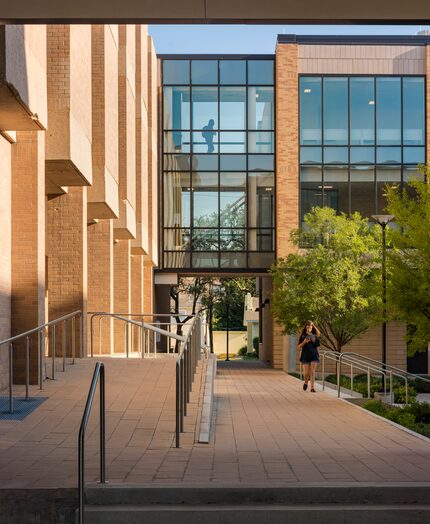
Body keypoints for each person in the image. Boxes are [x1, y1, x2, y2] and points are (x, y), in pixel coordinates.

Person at [298, 320, 321, 392]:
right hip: (305, 356)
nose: (309, 328)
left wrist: (318, 355)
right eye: (307, 327)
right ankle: (305, 382)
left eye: (310, 327)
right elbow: (299, 346)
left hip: (314, 355)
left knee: (312, 372)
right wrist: (304, 341)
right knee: (306, 373)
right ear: (305, 328)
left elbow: (317, 347)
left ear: (312, 327)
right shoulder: (302, 336)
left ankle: (312, 387)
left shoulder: (316, 336)